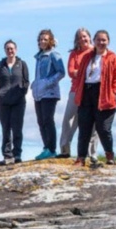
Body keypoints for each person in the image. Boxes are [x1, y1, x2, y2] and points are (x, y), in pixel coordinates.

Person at [73, 29, 116, 166]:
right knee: (84, 127)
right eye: (98, 40)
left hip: (104, 94)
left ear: (108, 42)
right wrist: (78, 90)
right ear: (94, 41)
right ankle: (81, 158)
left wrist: (113, 92)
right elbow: (80, 75)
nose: (101, 43)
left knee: (103, 128)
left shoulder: (113, 57)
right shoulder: (87, 56)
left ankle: (109, 154)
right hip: (86, 93)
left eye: (104, 40)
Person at [58, 28, 95, 159]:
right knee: (68, 118)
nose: (82, 39)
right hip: (75, 90)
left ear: (90, 37)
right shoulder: (74, 53)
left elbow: (98, 71)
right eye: (79, 38)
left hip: (92, 91)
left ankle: (92, 153)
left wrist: (80, 72)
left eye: (84, 36)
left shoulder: (95, 52)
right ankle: (65, 149)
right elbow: (70, 72)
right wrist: (86, 72)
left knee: (92, 122)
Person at [0, 40, 29, 165]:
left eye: (12, 48)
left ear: (16, 50)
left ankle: (17, 154)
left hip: (18, 102)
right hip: (3, 102)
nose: (10, 51)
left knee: (17, 128)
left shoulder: (22, 64)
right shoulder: (0, 65)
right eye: (7, 49)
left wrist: (21, 93)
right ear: (5, 51)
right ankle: (7, 155)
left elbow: (26, 81)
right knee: (6, 129)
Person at [31, 29, 65, 161]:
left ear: (50, 40)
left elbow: (61, 72)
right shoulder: (39, 57)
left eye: (45, 39)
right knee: (41, 121)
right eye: (40, 39)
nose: (42, 41)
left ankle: (51, 149)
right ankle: (46, 147)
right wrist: (35, 84)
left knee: (47, 119)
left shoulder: (54, 55)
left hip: (50, 93)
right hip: (38, 93)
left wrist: (47, 82)